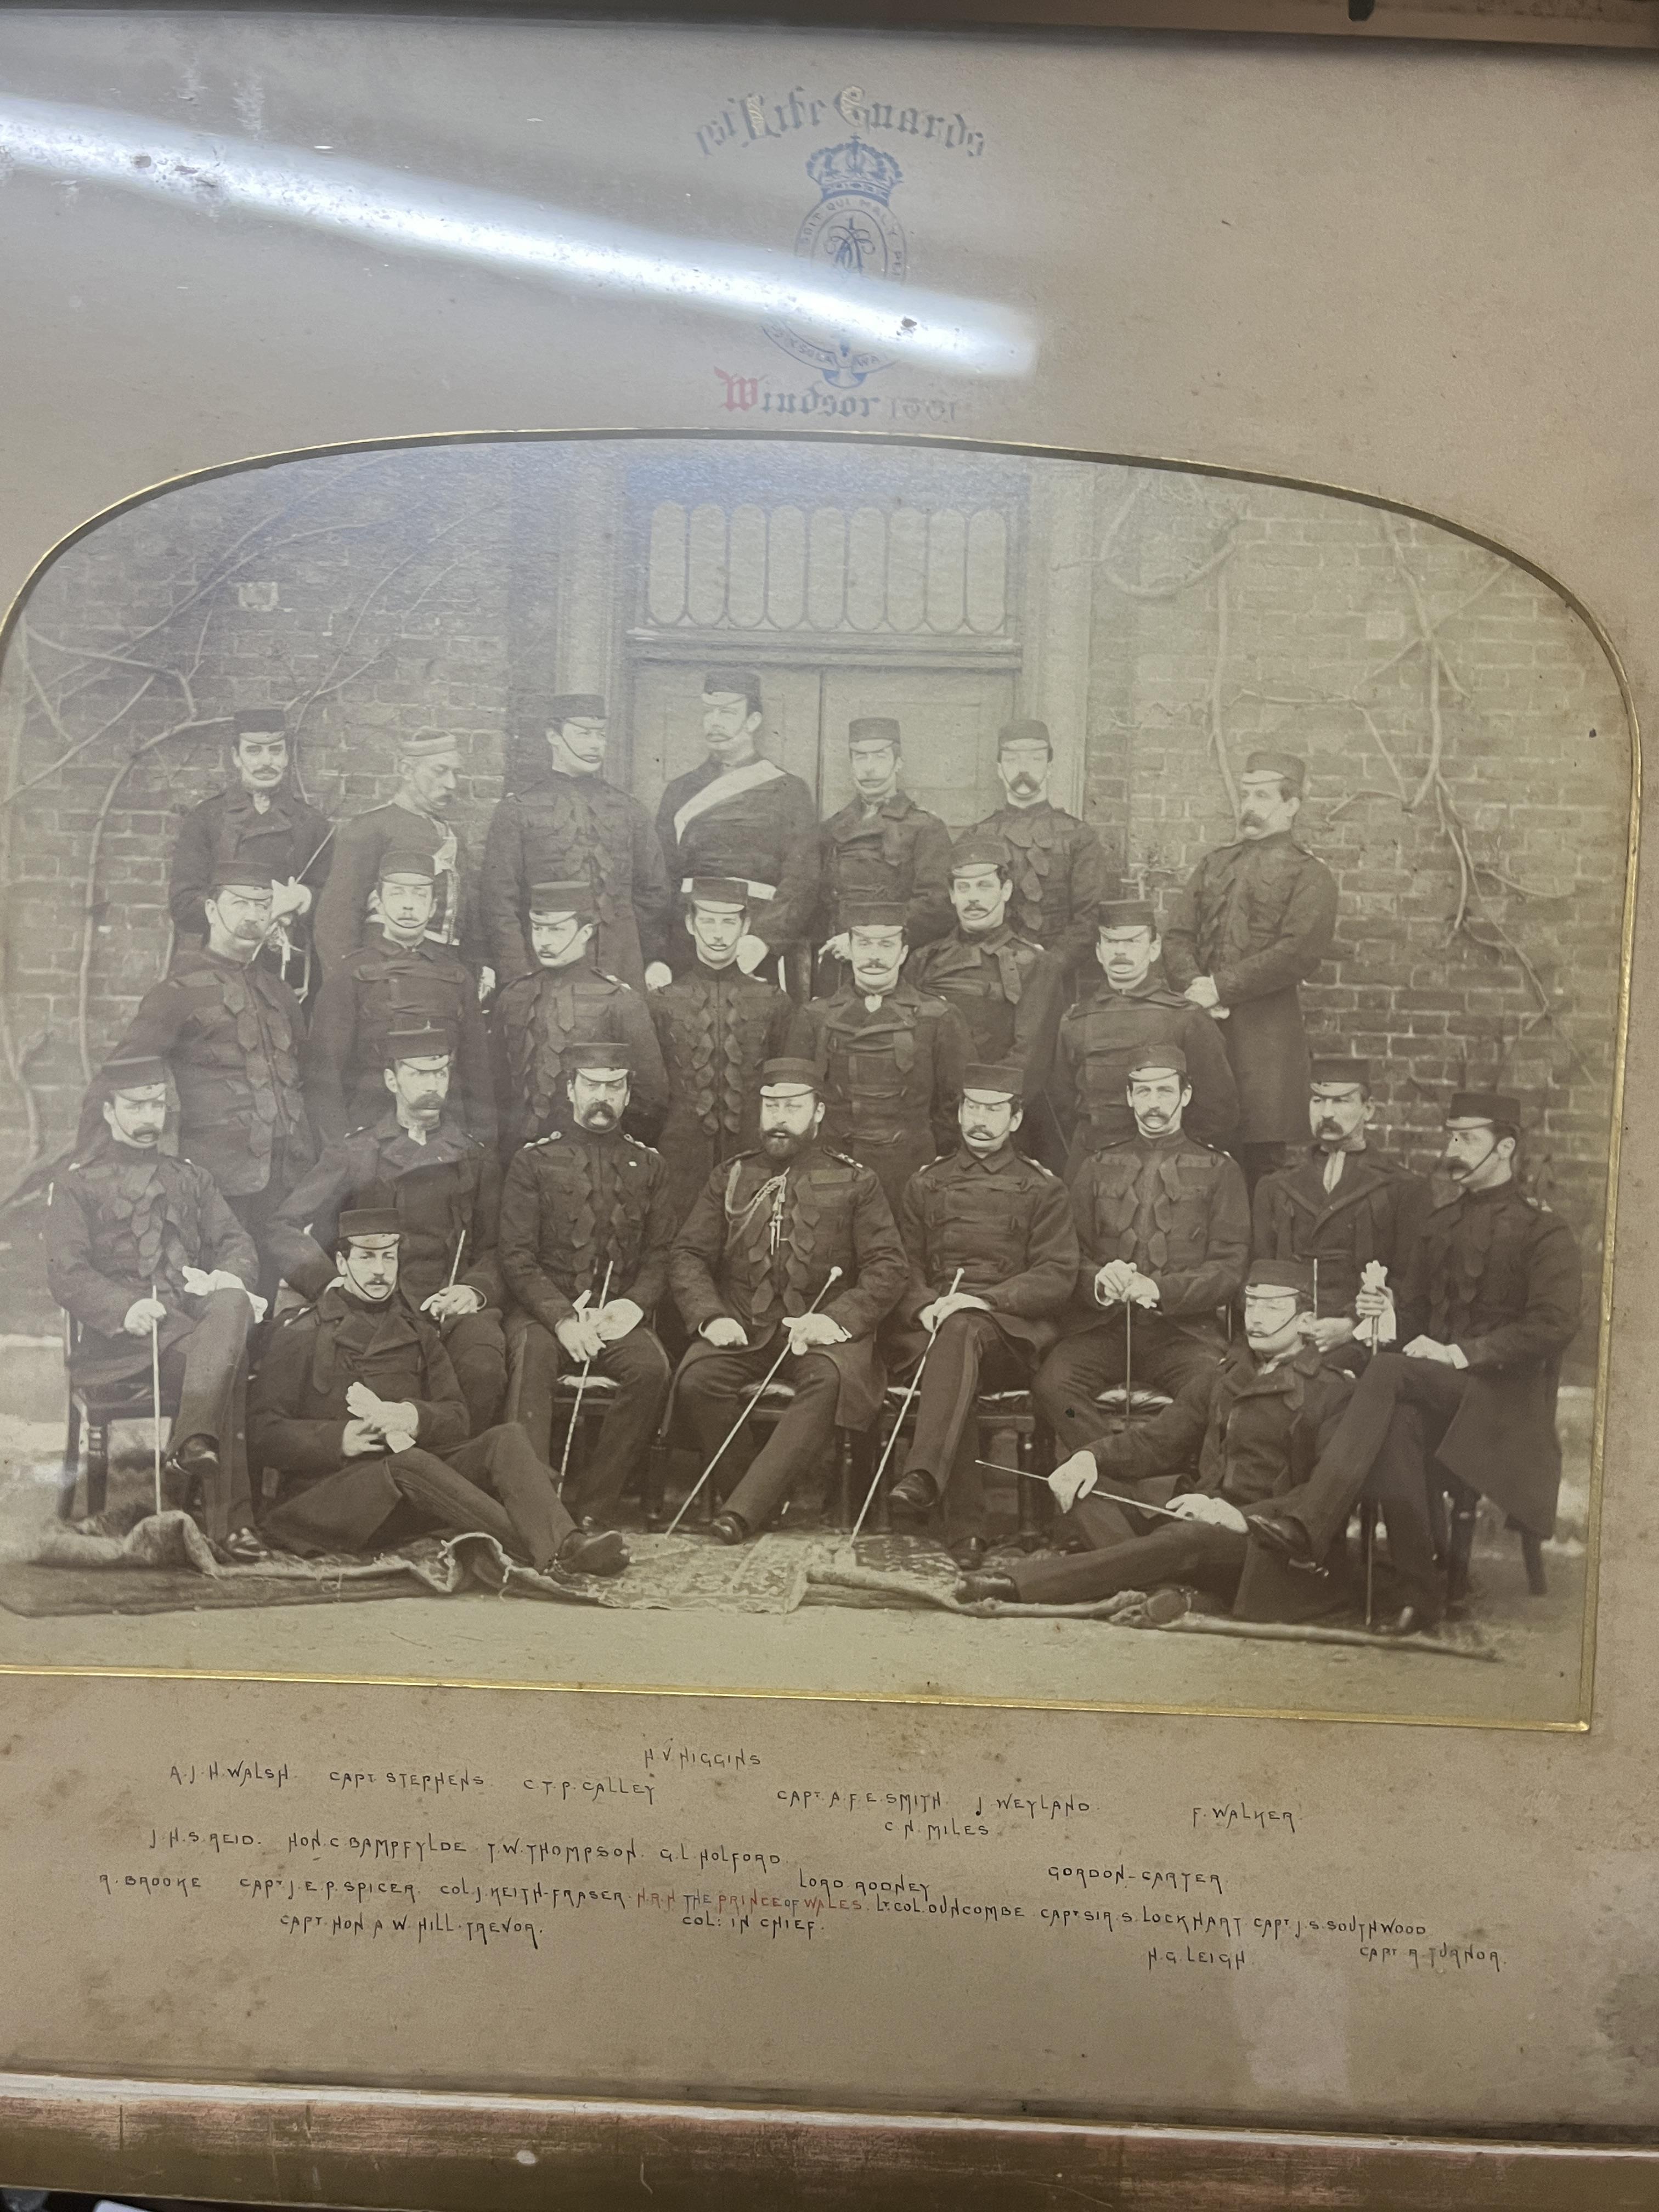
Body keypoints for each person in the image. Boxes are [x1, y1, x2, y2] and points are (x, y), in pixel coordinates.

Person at [1245, 1090, 1582, 1634]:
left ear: (1506, 1148)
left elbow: (1555, 1325)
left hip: (1506, 1408)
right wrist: (1381, 1318)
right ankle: (1420, 1597)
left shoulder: (1545, 1231)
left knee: (1388, 1376)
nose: (1454, 1148)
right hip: (1440, 1394)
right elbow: (1415, 1322)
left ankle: (1312, 1521)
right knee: (1396, 1416)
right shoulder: (1440, 1225)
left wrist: (1460, 1353)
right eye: (1451, 1136)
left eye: (1468, 1138)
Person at [958, 1260, 1354, 1612]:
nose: (1257, 1318)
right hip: (1193, 1518)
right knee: (1082, 1489)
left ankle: (1020, 1586)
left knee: (1181, 1540)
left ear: (1306, 1321)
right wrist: (1090, 1458)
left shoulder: (1331, 1391)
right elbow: (1156, 1442)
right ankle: (1174, 1591)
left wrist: (1239, 1517)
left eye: (1273, 1307)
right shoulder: (1225, 1377)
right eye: (1252, 1304)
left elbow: (1322, 1495)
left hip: (1260, 1542)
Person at [250, 1209, 628, 1576]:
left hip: (405, 1501)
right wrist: (338, 1438)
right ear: (342, 1262)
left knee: (505, 1438)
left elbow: (457, 1418)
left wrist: (413, 1418)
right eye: (366, 1258)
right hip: (329, 1501)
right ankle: (556, 1551)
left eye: (389, 1257)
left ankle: (566, 1541)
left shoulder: (418, 1331)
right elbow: (261, 1432)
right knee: (410, 1464)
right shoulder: (301, 1332)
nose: (380, 1270)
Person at [668, 1058, 909, 1543]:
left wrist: (835, 1321)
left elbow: (889, 1267)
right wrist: (710, 1317)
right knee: (698, 1378)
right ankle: (759, 1497)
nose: (779, 1117)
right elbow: (689, 1254)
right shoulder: (730, 1177)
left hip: (823, 1335)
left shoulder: (857, 1181)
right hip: (744, 1327)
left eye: (793, 1106)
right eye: (771, 1105)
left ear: (818, 1112)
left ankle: (739, 1514)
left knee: (829, 1380)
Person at [48, 1053, 264, 1547]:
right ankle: (230, 1523)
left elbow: (236, 1241)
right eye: (137, 1107)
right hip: (119, 1347)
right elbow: (67, 1273)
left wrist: (227, 1278)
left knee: (231, 1307)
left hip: (191, 1333)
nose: (150, 1120)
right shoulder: (77, 1184)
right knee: (231, 1356)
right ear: (108, 1110)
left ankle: (191, 1447)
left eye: (159, 1106)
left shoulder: (191, 1178)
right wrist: (124, 1309)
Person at [269, 1026, 508, 1436]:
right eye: (419, 1075)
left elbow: (496, 1247)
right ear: (392, 1080)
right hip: (376, 1305)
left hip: (449, 1306)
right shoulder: (356, 1153)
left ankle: (456, 1471)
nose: (433, 1086)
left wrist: (473, 1290)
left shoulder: (474, 1156)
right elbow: (282, 1226)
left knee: (484, 1361)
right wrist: (329, 1283)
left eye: (441, 1074)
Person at [884, 1065, 1079, 1567]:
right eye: (972, 1107)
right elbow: (901, 1264)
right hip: (934, 1333)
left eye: (994, 1110)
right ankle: (968, 1536)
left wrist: (986, 1301)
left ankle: (926, 1477)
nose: (981, 1120)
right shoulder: (926, 1183)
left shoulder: (1043, 1188)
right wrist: (924, 1305)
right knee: (955, 1347)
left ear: (1015, 1119)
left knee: (964, 1330)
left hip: (1010, 1338)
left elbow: (1057, 1275)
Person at [103, 863, 313, 1289]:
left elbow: (308, 1077)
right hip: (215, 1184)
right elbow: (121, 1076)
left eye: (262, 905)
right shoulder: (175, 994)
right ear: (212, 911)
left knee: (267, 1302)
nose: (252, 915)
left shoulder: (279, 993)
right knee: (221, 1299)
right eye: (239, 904)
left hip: (283, 1180)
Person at [1033, 1047, 1250, 1457]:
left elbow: (1229, 1268)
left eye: (1165, 1092)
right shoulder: (1096, 1167)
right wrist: (1097, 1282)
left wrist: (1160, 1290)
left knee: (1213, 1387)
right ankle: (1113, 1483)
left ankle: (1171, 1488)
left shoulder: (1221, 1171)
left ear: (1185, 1096)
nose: (1154, 1104)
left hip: (1183, 1336)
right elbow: (1065, 1255)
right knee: (1053, 1385)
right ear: (1130, 1097)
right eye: (1144, 1092)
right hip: (1105, 1330)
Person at [498, 1044, 676, 1530]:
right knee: (532, 1358)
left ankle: (596, 1504)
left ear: (626, 1094)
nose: (603, 1097)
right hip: (543, 1313)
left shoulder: (651, 1167)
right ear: (572, 1089)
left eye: (613, 1087)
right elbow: (516, 1256)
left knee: (651, 1368)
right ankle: (532, 1506)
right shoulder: (534, 1162)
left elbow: (662, 1255)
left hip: (615, 1315)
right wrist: (561, 1317)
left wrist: (631, 1307)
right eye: (592, 1085)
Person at [1161, 748, 1339, 1192]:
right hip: (1202, 1030)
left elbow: (1299, 952)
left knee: (1264, 1168)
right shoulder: (1214, 865)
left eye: (1262, 796)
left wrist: (1221, 987)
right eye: (1246, 796)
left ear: (1292, 804)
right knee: (1199, 1154)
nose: (1249, 807)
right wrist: (1195, 988)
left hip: (1266, 1042)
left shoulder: (1310, 875)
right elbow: (1177, 936)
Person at [479, 693, 672, 994]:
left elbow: (654, 893)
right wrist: (518, 975)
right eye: (584, 734)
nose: (596, 745)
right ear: (553, 736)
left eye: (601, 735)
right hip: (543, 972)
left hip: (620, 971)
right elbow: (499, 902)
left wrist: (647, 959)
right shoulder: (518, 810)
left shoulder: (629, 809)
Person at [302, 849, 494, 1148]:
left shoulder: (457, 976)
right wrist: (339, 1149)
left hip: (446, 1131)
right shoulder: (351, 972)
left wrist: (482, 1143)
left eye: (420, 896)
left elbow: (478, 1074)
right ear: (379, 902)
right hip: (370, 1131)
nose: (408, 906)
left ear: (432, 908)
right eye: (397, 894)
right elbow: (325, 1073)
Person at [795, 901, 972, 1212]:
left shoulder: (939, 1016)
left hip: (910, 1173)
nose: (874, 956)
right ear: (850, 949)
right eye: (863, 944)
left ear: (903, 953)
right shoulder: (814, 1016)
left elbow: (955, 1104)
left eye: (886, 945)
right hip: (831, 1172)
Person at [647, 878, 803, 1229]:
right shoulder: (662, 1002)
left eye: (729, 922)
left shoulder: (774, 1003)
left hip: (753, 1156)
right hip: (680, 1159)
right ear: (691, 924)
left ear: (746, 926)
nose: (718, 934)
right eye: (708, 921)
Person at [650, 671, 819, 988]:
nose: (714, 722)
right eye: (708, 712)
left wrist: (764, 939)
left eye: (727, 712)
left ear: (753, 720)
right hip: (690, 942)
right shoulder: (680, 791)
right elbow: (661, 882)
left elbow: (803, 880)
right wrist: (659, 955)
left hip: (756, 941)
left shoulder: (789, 790)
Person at [1251, 1056, 1432, 1346]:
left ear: (1368, 1109)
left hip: (1362, 1340)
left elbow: (1410, 1286)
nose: (1327, 1113)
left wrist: (1353, 1327)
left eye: (1342, 1102)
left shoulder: (1403, 1188)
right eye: (1317, 1101)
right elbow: (1259, 1275)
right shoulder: (1275, 1186)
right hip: (1284, 1334)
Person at [1052, 898, 1238, 1175]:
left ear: (1154, 949)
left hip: (1169, 1168)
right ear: (1100, 952)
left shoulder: (1187, 1018)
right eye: (1112, 943)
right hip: (1094, 1167)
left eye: (1132, 942)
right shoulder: (1076, 1022)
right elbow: (1064, 1105)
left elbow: (1218, 1111)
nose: (1121, 952)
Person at [489, 881, 668, 1155]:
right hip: (521, 1158)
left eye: (557, 930)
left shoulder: (620, 1001)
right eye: (538, 929)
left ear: (585, 932)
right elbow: (496, 1088)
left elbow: (649, 1094)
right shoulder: (514, 997)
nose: (545, 941)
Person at [167, 708, 332, 997]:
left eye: (275, 751)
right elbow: (183, 906)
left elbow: (335, 907)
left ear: (286, 757)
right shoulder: (207, 819)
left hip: (287, 977)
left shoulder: (313, 825)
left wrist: (303, 900)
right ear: (236, 757)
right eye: (254, 751)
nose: (266, 761)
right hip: (216, 971)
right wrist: (241, 914)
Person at [313, 731, 484, 982]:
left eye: (455, 773)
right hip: (384, 974)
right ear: (406, 770)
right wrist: (349, 985)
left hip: (444, 976)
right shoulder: (370, 827)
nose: (451, 784)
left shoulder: (451, 833)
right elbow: (336, 922)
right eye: (440, 771)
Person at [905, 832, 1058, 1107]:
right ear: (952, 895)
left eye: (984, 886)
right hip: (926, 1112)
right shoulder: (922, 961)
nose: (973, 899)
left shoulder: (1036, 965)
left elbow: (1029, 1058)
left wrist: (982, 1107)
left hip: (993, 1114)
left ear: (1006, 891)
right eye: (963, 888)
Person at [813, 717, 952, 986]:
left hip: (898, 967)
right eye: (860, 758)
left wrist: (867, 939)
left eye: (879, 757)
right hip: (837, 966)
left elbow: (938, 905)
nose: (869, 769)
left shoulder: (925, 827)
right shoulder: (831, 828)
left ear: (898, 763)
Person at [965, 720, 1108, 976]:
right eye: (1012, 760)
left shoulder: (1079, 837)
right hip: (987, 973)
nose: (1023, 769)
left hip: (1056, 974)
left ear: (1049, 767)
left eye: (1035, 759)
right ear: (999, 769)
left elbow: (1090, 916)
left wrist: (1052, 964)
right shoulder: (976, 836)